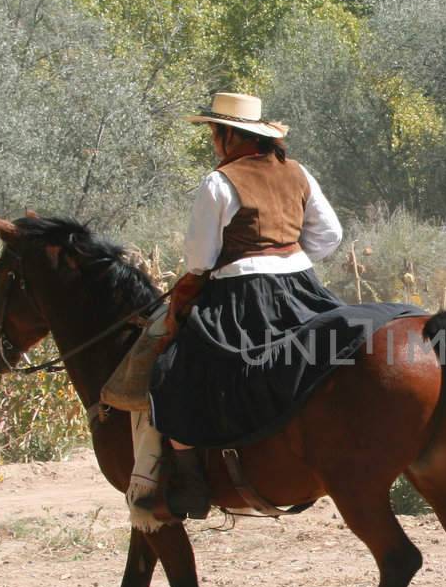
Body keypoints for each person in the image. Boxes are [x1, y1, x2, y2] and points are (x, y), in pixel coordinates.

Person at [126, 91, 344, 519]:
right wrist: (287, 255)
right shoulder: (298, 172)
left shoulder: (219, 182)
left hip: (243, 295)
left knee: (175, 370)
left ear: (228, 135)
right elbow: (330, 235)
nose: (212, 141)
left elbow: (200, 260)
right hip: (301, 286)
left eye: (213, 132)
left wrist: (250, 261)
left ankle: (189, 479)